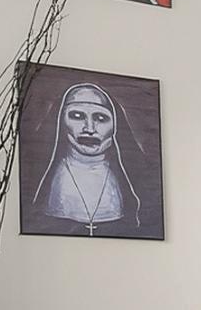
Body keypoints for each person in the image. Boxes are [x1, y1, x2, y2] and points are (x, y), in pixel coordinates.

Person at [30, 81, 141, 235]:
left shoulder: (128, 184)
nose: (89, 128)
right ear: (60, 121)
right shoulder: (46, 180)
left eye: (100, 118)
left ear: (116, 126)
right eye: (77, 116)